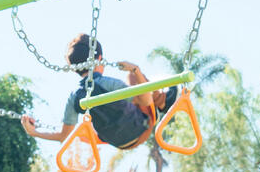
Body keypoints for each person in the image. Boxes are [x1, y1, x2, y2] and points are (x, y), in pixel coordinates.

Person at [20, 34, 177, 150]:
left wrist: (35, 133)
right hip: (141, 127)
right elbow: (145, 101)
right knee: (134, 78)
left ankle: (159, 98)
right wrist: (136, 69)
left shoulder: (74, 97)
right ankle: (162, 101)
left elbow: (64, 136)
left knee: (82, 127)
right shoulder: (108, 83)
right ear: (99, 58)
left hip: (117, 142)